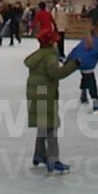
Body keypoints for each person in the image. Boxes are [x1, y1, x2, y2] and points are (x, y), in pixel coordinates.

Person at [24, 28, 78, 173]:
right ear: (50, 43)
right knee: (51, 127)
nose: (56, 43)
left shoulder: (39, 55)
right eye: (54, 41)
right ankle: (53, 160)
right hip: (45, 94)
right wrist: (74, 65)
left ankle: (39, 154)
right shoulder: (50, 57)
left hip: (36, 92)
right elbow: (56, 74)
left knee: (43, 124)